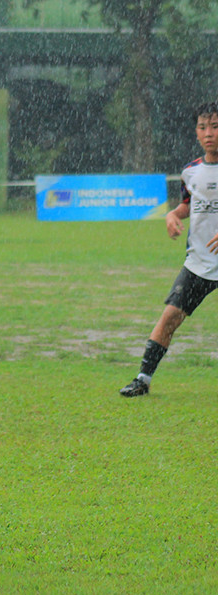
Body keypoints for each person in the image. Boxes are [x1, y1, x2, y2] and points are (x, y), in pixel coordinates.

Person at [120, 100, 218, 397]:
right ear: (196, 133)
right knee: (170, 317)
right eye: (203, 127)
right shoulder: (191, 172)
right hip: (199, 263)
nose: (209, 132)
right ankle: (142, 379)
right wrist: (173, 215)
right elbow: (189, 205)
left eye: (215, 126)